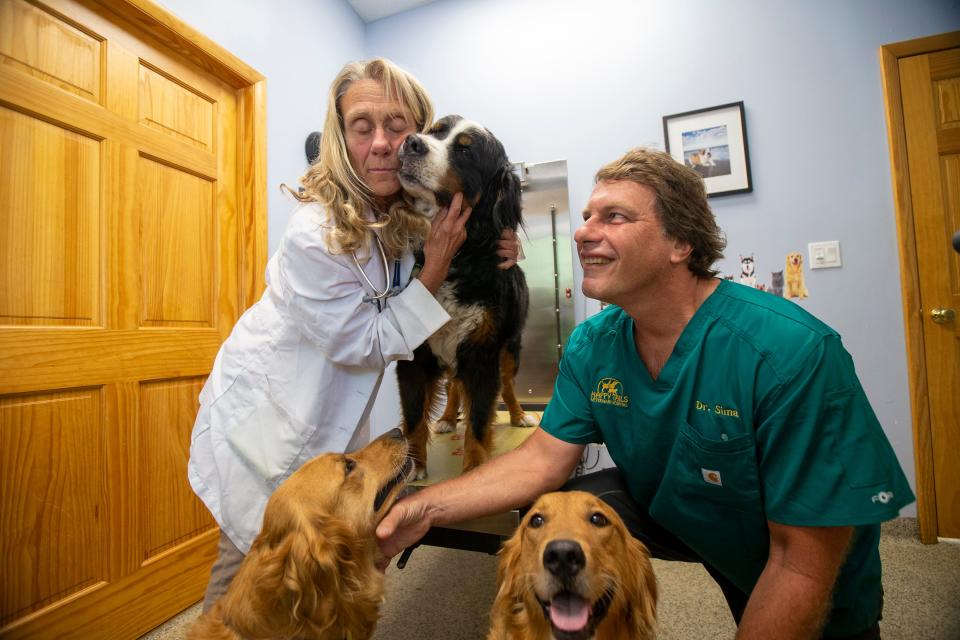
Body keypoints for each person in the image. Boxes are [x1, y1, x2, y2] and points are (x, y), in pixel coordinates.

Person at [377, 147, 914, 639]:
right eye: (586, 217)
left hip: (794, 559)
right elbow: (541, 460)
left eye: (614, 217)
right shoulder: (594, 344)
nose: (584, 232)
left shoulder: (789, 354)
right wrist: (422, 508)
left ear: (681, 244)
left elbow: (801, 564)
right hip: (679, 512)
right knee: (562, 504)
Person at [187, 57, 520, 610]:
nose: (386, 142)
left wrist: (502, 243)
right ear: (341, 138)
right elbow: (366, 341)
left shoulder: (398, 216)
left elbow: (474, 227)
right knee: (253, 572)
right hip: (270, 423)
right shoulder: (314, 233)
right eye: (363, 126)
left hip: (332, 422)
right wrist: (435, 266)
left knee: (321, 580)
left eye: (398, 125)